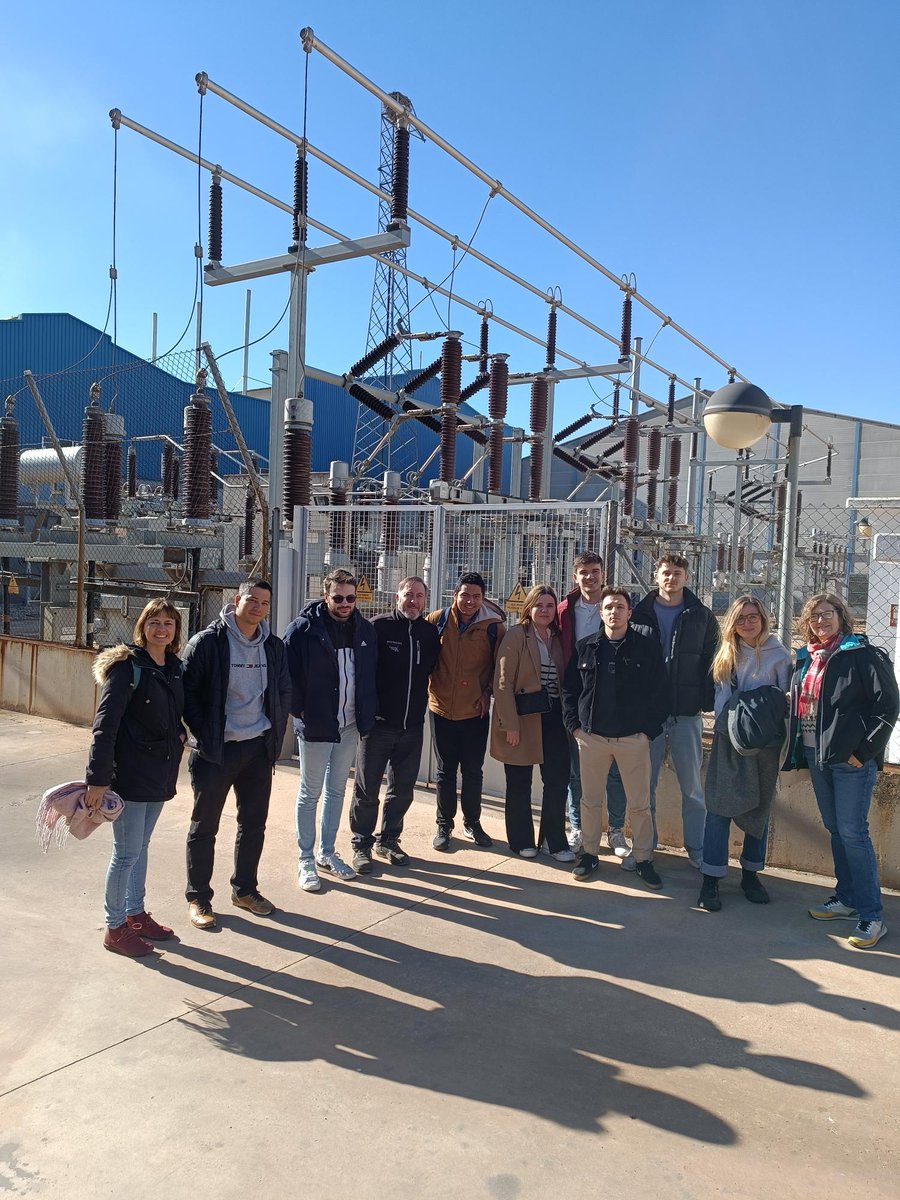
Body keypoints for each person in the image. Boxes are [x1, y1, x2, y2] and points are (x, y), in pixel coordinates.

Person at [784, 592, 899, 949]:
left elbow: (889, 705)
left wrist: (863, 752)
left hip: (850, 761)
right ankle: (846, 898)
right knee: (836, 829)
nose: (821, 620)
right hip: (816, 756)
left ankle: (871, 915)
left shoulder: (861, 654)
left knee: (852, 833)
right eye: (814, 616)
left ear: (841, 617)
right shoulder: (806, 657)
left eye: (828, 613)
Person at [182, 578, 291, 930]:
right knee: (204, 828)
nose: (258, 607)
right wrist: (207, 735)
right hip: (217, 751)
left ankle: (244, 890)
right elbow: (188, 695)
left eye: (264, 603)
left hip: (257, 748)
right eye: (252, 600)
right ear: (237, 600)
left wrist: (272, 733)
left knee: (253, 825)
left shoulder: (272, 646)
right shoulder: (208, 643)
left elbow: (282, 690)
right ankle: (199, 898)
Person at [86, 599, 186, 957]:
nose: (162, 629)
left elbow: (175, 716)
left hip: (158, 774)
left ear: (176, 631)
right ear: (143, 626)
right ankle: (115, 928)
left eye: (169, 624)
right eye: (155, 622)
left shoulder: (173, 666)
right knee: (126, 854)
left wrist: (181, 737)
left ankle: (135, 915)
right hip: (129, 775)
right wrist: (97, 779)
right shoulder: (127, 667)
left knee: (140, 848)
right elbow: (105, 726)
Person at [607, 553, 718, 870]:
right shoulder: (639, 613)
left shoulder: (701, 615)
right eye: (666, 572)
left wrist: (704, 702)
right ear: (656, 576)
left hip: (686, 714)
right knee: (643, 787)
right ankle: (644, 848)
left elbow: (712, 662)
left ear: (686, 576)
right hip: (648, 716)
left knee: (692, 788)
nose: (671, 578)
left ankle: (696, 848)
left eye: (677, 573)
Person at [562, 586, 669, 889]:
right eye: (608, 607)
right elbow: (569, 690)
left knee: (640, 804)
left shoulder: (646, 648)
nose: (614, 612)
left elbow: (660, 693)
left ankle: (644, 858)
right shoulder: (586, 647)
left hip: (632, 739)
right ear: (601, 612)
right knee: (591, 801)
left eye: (620, 607)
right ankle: (589, 854)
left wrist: (647, 732)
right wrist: (575, 726)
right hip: (592, 738)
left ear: (629, 613)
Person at [284, 568, 377, 892]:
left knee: (337, 791)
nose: (345, 603)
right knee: (310, 794)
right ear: (326, 596)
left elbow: (368, 674)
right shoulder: (303, 630)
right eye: (338, 597)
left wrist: (367, 711)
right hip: (317, 724)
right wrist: (300, 709)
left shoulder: (364, 630)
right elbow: (287, 673)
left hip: (349, 726)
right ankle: (306, 858)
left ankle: (326, 852)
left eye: (350, 598)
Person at [698, 596, 791, 912]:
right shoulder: (727, 654)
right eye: (741, 618)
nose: (748, 623)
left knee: (759, 811)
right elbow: (721, 700)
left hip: (766, 744)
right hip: (729, 740)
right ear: (733, 624)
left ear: (764, 619)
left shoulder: (779, 655)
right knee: (719, 810)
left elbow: (784, 702)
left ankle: (751, 874)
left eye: (753, 617)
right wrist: (729, 734)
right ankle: (711, 877)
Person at [349, 576, 440, 874]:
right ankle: (361, 844)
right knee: (367, 789)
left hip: (412, 726)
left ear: (426, 600)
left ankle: (388, 840)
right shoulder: (378, 627)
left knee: (402, 789)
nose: (413, 601)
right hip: (378, 726)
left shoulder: (429, 633)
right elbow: (361, 673)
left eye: (419, 596)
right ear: (396, 597)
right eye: (408, 595)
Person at [490, 585, 573, 861]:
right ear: (529, 608)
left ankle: (553, 840)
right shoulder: (516, 635)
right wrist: (509, 724)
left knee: (557, 780)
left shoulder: (557, 638)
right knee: (519, 781)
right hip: (523, 718)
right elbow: (503, 683)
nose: (545, 610)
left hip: (554, 718)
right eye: (539, 605)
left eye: (550, 605)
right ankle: (521, 840)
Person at [427, 571, 506, 851]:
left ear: (483, 598)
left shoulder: (494, 627)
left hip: (475, 711)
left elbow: (500, 667)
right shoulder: (436, 620)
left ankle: (472, 823)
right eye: (465, 595)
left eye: (476, 596)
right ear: (454, 595)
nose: (469, 601)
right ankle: (444, 825)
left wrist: (487, 693)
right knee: (445, 771)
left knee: (473, 770)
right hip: (440, 708)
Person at [556, 552, 610, 854]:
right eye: (584, 572)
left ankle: (614, 830)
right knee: (576, 769)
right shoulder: (565, 610)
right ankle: (577, 826)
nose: (590, 577)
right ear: (575, 576)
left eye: (595, 571)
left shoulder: (614, 605)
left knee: (613, 772)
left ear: (603, 574)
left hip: (610, 694)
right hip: (576, 694)